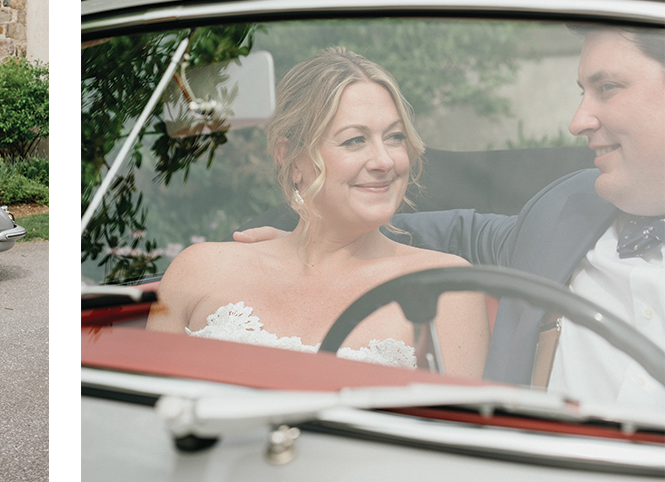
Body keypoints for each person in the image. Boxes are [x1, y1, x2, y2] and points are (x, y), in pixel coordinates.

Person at [236, 27, 665, 406]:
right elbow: (455, 232)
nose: (578, 121)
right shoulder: (564, 214)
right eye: (581, 92)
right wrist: (311, 233)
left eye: (607, 87)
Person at [147, 47, 491, 377]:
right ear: (291, 157)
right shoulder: (198, 270)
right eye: (355, 140)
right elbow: (136, 421)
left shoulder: (446, 288)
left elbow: (457, 431)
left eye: (395, 137)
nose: (385, 161)